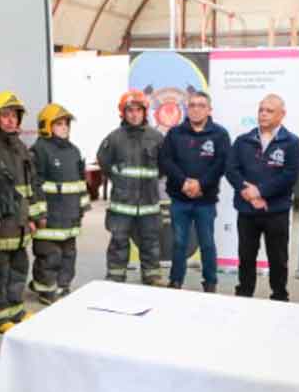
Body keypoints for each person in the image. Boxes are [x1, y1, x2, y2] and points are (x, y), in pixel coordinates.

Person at [0, 91, 46, 333]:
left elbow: (31, 184)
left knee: (19, 266)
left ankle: (15, 309)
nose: (11, 120)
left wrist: (35, 215)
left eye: (15, 115)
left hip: (20, 222)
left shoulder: (20, 147)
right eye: (5, 115)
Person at [224, 94, 299, 301]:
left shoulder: (292, 143)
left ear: (282, 114)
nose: (263, 114)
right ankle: (244, 294)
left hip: (275, 211)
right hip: (247, 210)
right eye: (261, 110)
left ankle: (279, 296)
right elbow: (231, 170)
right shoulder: (243, 140)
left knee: (278, 259)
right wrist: (248, 192)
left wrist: (260, 192)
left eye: (269, 110)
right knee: (246, 257)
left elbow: (290, 176)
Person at [159, 91, 230, 292]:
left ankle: (210, 282)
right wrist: (183, 182)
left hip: (205, 200)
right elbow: (166, 161)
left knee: (207, 243)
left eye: (201, 105)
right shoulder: (175, 133)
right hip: (179, 199)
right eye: (192, 105)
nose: (196, 109)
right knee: (179, 242)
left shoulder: (220, 134)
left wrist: (201, 184)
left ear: (209, 110)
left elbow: (221, 164)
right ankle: (175, 280)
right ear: (187, 109)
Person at [97, 89, 165, 285]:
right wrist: (120, 181)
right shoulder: (114, 138)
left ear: (145, 112)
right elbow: (104, 162)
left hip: (149, 203)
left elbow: (163, 166)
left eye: (138, 110)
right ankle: (116, 276)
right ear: (123, 113)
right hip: (122, 205)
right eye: (130, 111)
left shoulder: (157, 138)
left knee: (150, 241)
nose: (134, 114)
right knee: (118, 241)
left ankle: (151, 275)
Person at [29, 103, 89, 304]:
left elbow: (80, 183)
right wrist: (39, 214)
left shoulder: (73, 151)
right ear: (46, 126)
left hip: (70, 215)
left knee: (68, 254)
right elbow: (34, 185)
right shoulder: (39, 150)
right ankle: (46, 289)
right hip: (50, 217)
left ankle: (63, 286)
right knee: (49, 255)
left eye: (66, 124)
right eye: (59, 124)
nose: (65, 128)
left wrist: (81, 209)